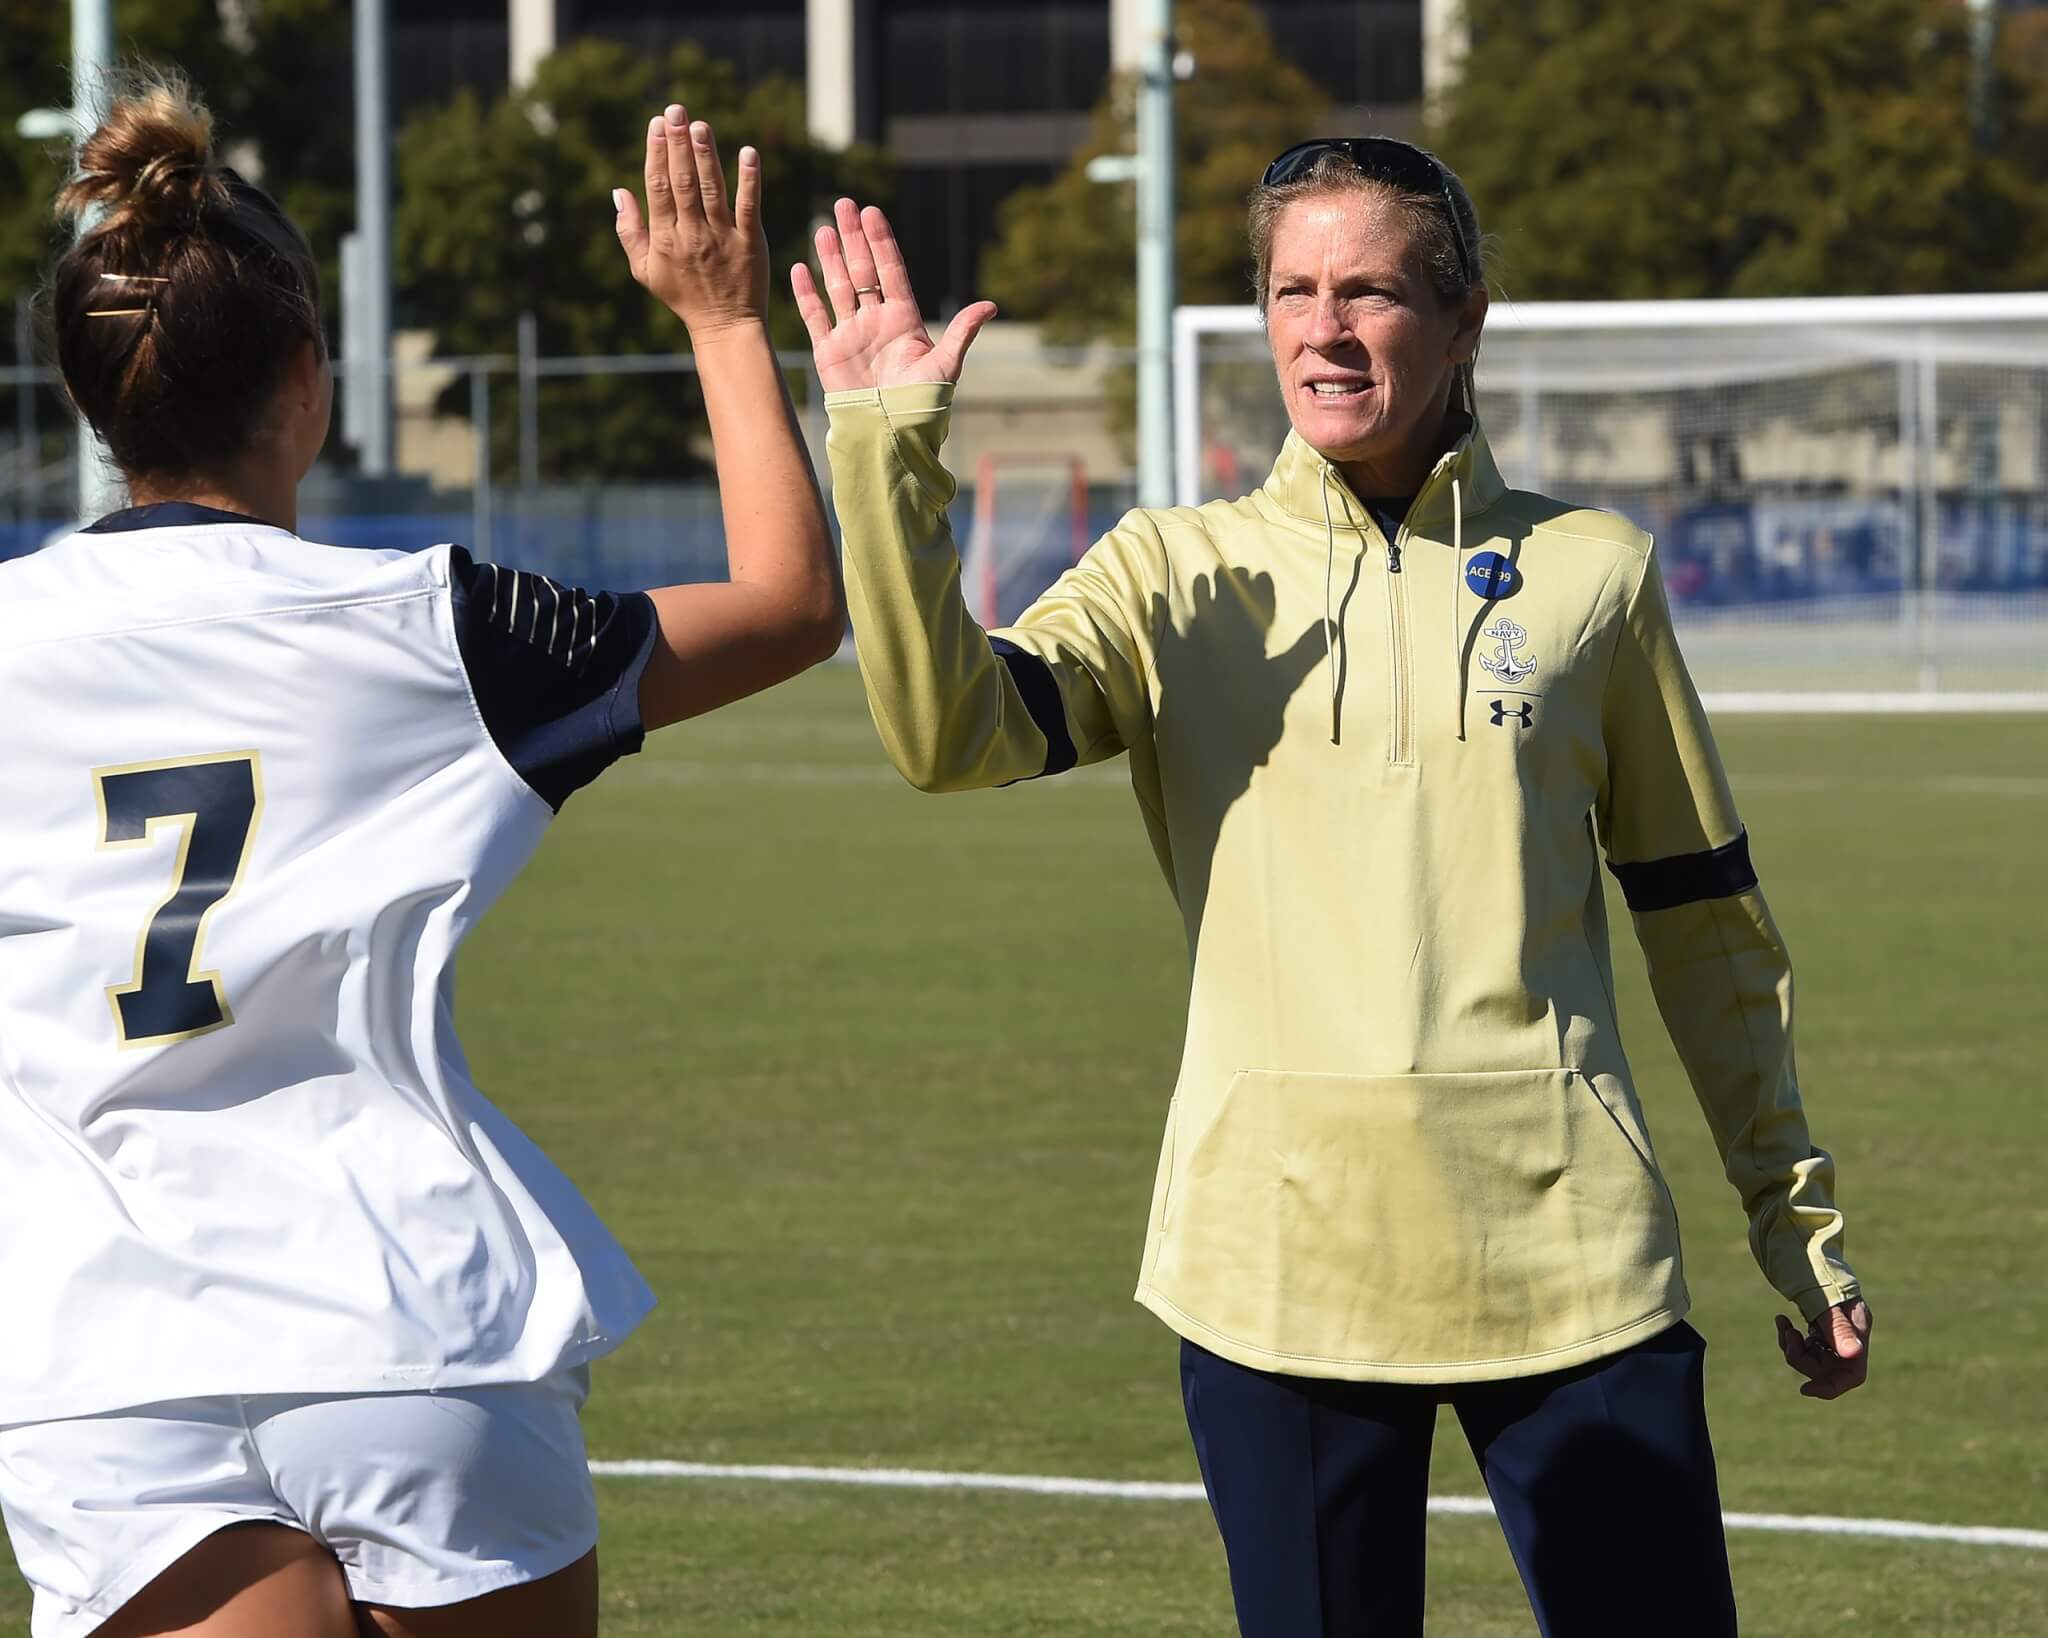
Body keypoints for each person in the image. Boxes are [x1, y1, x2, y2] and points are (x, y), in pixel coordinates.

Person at [798, 138, 1873, 1636]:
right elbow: (948, 734)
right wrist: (880, 438)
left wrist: (1794, 1216)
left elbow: (1704, 920)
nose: (1325, 326)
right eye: (1293, 290)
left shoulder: (1592, 575)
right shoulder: (1173, 571)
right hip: (1277, 1267)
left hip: (1570, 1260)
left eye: (1369, 288)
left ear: (1465, 316)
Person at [0, 73, 840, 1638]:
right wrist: (724, 318)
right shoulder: (434, 629)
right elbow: (793, 600)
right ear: (308, 383)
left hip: (93, 1361)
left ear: (93, 397)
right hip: (411, 1326)